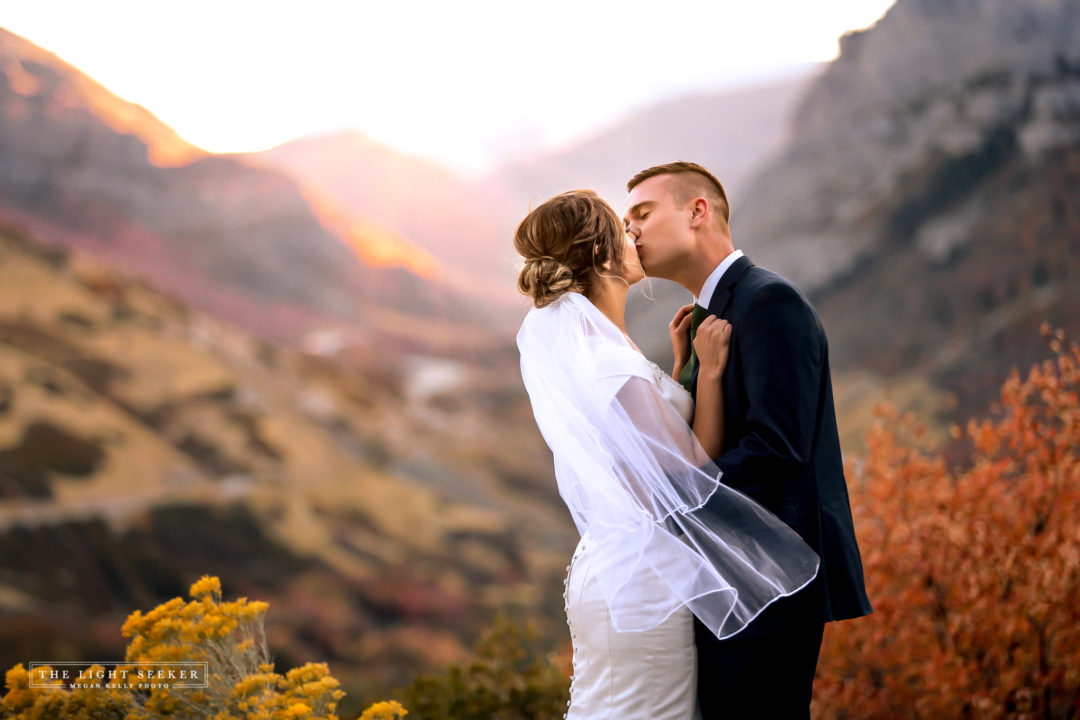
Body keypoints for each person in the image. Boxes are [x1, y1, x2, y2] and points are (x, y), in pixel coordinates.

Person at [514, 189, 820, 720]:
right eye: (623, 228)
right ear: (604, 256)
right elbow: (691, 472)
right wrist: (715, 374)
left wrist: (681, 374)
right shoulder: (611, 363)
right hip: (645, 578)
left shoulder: (603, 352)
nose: (634, 235)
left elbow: (642, 450)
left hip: (613, 562)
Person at [624, 161, 873, 718]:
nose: (630, 231)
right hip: (733, 573)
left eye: (642, 213)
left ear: (698, 211)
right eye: (626, 220)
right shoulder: (710, 313)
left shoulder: (769, 302)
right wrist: (687, 371)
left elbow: (775, 444)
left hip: (774, 577)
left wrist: (675, 500)